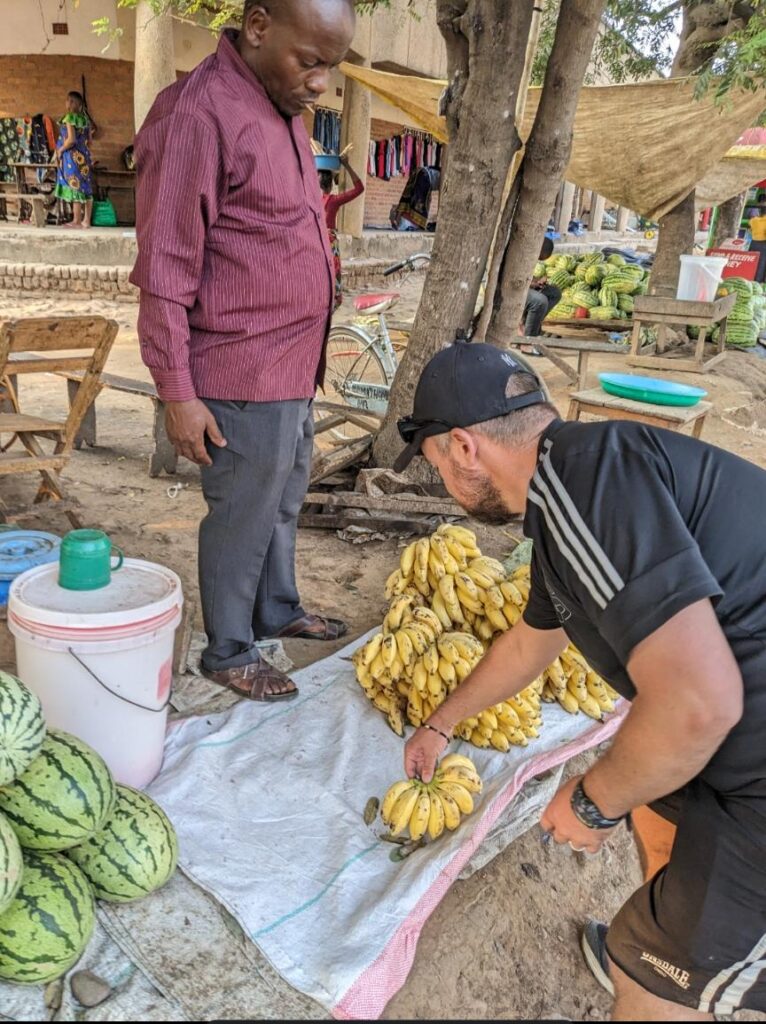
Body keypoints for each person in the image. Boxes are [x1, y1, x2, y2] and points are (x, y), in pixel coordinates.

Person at [394, 339, 766, 1022]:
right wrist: (441, 723)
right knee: (657, 801)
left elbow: (697, 703)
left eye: (435, 464)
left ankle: (669, 974)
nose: (442, 484)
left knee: (653, 982)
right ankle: (670, 938)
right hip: (739, 747)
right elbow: (536, 637)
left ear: (463, 448)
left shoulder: (585, 491)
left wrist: (593, 800)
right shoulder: (578, 482)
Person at [131, 0, 356, 702]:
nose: (320, 83)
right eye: (310, 61)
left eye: (331, 67)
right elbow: (164, 268)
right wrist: (177, 389)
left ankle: (276, 607)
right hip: (239, 369)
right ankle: (229, 649)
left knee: (284, 495)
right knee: (242, 511)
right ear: (258, 27)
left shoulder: (279, 105)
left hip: (292, 362)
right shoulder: (199, 115)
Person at [318, 154, 364, 308]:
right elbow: (359, 188)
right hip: (329, 244)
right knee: (332, 281)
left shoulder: (309, 198)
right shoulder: (334, 201)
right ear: (331, 184)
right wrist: (347, 166)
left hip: (314, 242)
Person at [54, 91, 95, 229]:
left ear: (72, 103)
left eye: (68, 101)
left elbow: (71, 140)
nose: (66, 103)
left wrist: (60, 150)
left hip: (73, 158)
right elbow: (90, 142)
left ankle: (76, 220)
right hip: (85, 157)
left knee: (75, 186)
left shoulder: (69, 118)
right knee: (86, 188)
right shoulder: (86, 120)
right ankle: (86, 221)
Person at [522, 236, 561, 338]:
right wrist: (532, 284)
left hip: (524, 286)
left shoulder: (530, 255)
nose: (538, 260)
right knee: (540, 301)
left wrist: (536, 280)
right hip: (509, 291)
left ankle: (532, 326)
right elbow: (512, 280)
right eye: (539, 257)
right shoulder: (520, 254)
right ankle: (528, 340)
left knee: (554, 293)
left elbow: (525, 276)